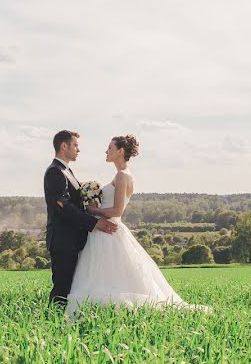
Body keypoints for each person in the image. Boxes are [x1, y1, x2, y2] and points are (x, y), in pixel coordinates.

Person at [66, 134, 212, 321]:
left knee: (105, 274)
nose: (106, 151)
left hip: (109, 230)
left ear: (120, 151)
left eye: (110, 148)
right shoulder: (121, 175)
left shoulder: (122, 175)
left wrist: (95, 210)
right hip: (105, 230)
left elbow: (117, 210)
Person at [44, 130, 117, 307]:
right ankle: (53, 325)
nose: (78, 150)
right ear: (64, 146)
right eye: (75, 145)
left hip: (71, 240)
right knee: (62, 289)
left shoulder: (66, 170)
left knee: (70, 288)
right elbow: (63, 207)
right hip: (63, 241)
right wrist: (94, 222)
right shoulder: (55, 172)